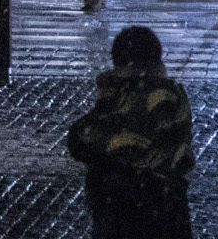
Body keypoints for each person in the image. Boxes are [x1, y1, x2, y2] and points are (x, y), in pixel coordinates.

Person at [66, 25, 193, 239]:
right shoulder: (174, 96)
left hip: (122, 211)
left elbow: (80, 140)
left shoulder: (124, 101)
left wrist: (112, 90)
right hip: (169, 209)